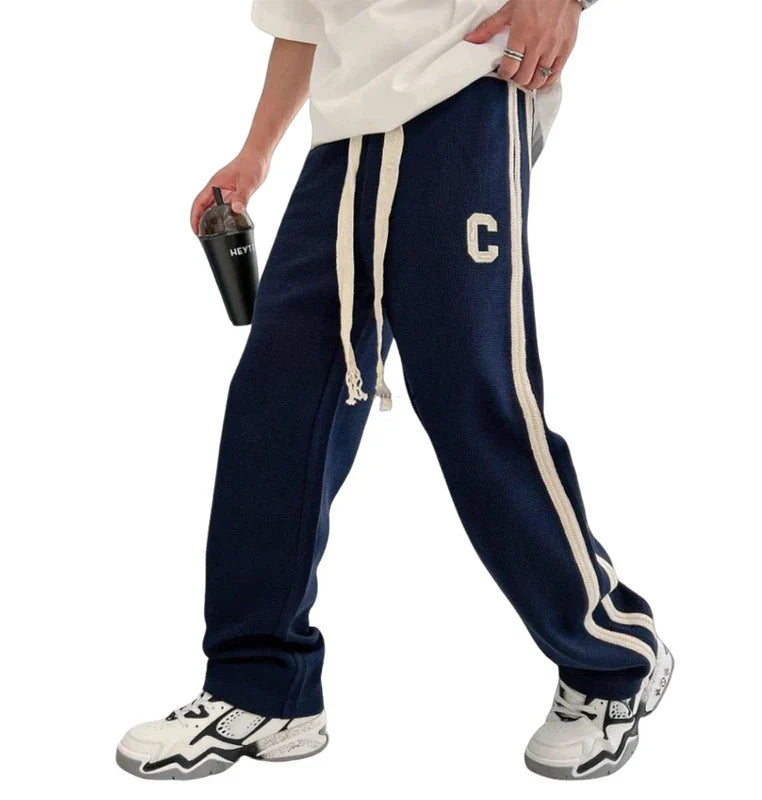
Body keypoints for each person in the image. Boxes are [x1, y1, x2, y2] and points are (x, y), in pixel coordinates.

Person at [116, 0, 672, 782]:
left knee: (473, 401)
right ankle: (263, 689)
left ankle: (612, 661)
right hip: (343, 144)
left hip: (467, 95)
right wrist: (255, 153)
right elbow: (303, 20)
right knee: (276, 407)